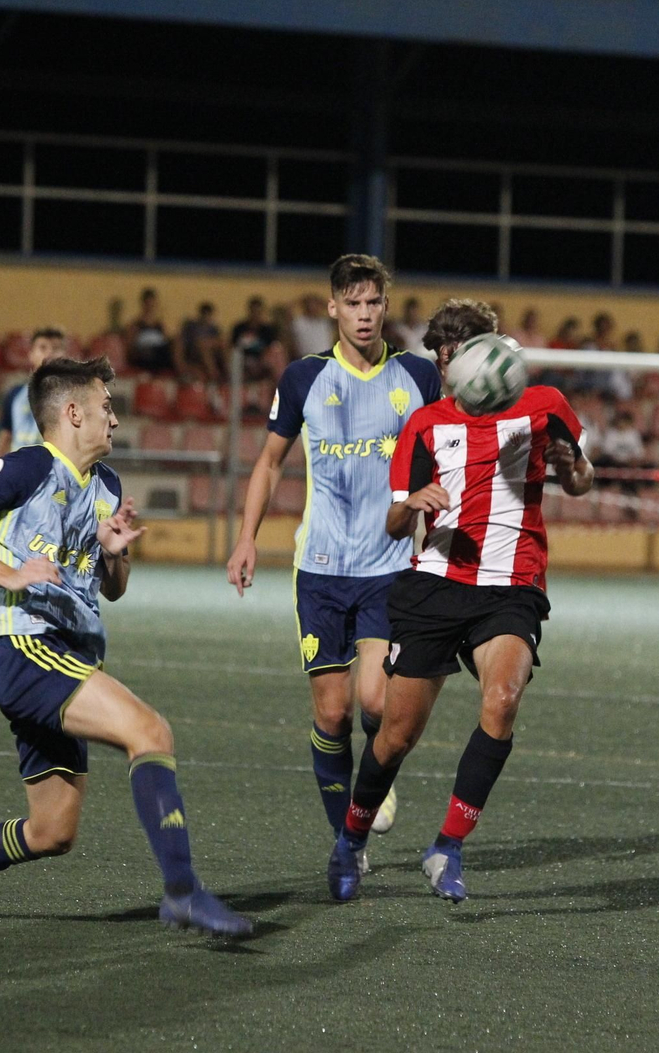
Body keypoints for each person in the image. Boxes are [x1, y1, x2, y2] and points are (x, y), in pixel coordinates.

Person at [0, 355, 252, 937]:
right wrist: (5, 574)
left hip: (66, 657)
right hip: (26, 647)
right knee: (150, 732)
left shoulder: (108, 486)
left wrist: (114, 553)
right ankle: (183, 892)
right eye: (107, 407)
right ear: (73, 412)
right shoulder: (29, 466)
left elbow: (115, 591)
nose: (116, 420)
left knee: (52, 832)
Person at [325, 298, 595, 903]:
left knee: (501, 702)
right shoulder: (426, 424)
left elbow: (580, 480)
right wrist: (411, 502)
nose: (449, 371)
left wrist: (569, 463)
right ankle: (352, 838)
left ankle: (447, 847)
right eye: (442, 360)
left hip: (511, 585)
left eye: (458, 357)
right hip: (436, 587)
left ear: (487, 355)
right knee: (395, 736)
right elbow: (394, 522)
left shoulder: (543, 406)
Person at [226, 255, 442, 858]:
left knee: (376, 701)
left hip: (390, 567)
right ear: (333, 309)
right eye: (353, 303)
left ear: (385, 307)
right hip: (319, 568)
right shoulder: (303, 378)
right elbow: (269, 462)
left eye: (374, 303)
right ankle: (348, 842)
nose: (365, 315)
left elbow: (445, 451)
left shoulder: (417, 378)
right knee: (331, 714)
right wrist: (247, 539)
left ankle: (374, 783)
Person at [0, 328, 70, 457]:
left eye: (56, 348)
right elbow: (5, 437)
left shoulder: (73, 396)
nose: (50, 353)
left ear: (65, 354)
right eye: (43, 348)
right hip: (20, 471)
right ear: (31, 354)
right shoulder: (15, 395)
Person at [230, 295, 280, 383]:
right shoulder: (239, 328)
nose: (255, 315)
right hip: (243, 359)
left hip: (261, 360)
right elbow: (232, 346)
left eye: (258, 312)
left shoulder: (267, 330)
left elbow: (270, 348)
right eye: (253, 311)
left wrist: (260, 361)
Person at [126, 288, 171, 372]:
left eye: (152, 303)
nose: (150, 306)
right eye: (148, 303)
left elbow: (166, 340)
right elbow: (130, 345)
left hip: (159, 353)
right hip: (143, 354)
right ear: (143, 304)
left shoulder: (160, 324)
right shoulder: (136, 324)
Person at [179, 301, 226, 383]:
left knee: (225, 348)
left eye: (208, 315)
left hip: (212, 353)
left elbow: (221, 342)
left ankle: (229, 373)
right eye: (205, 315)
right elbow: (195, 343)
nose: (206, 318)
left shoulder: (214, 329)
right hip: (195, 354)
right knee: (204, 349)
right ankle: (213, 375)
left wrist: (208, 343)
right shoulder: (192, 327)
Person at [291, 294, 335, 358]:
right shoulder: (299, 322)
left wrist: (325, 304)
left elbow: (339, 316)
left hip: (325, 357)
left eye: (316, 305)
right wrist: (299, 302)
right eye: (310, 305)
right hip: (306, 357)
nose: (313, 308)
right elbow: (286, 312)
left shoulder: (324, 322)